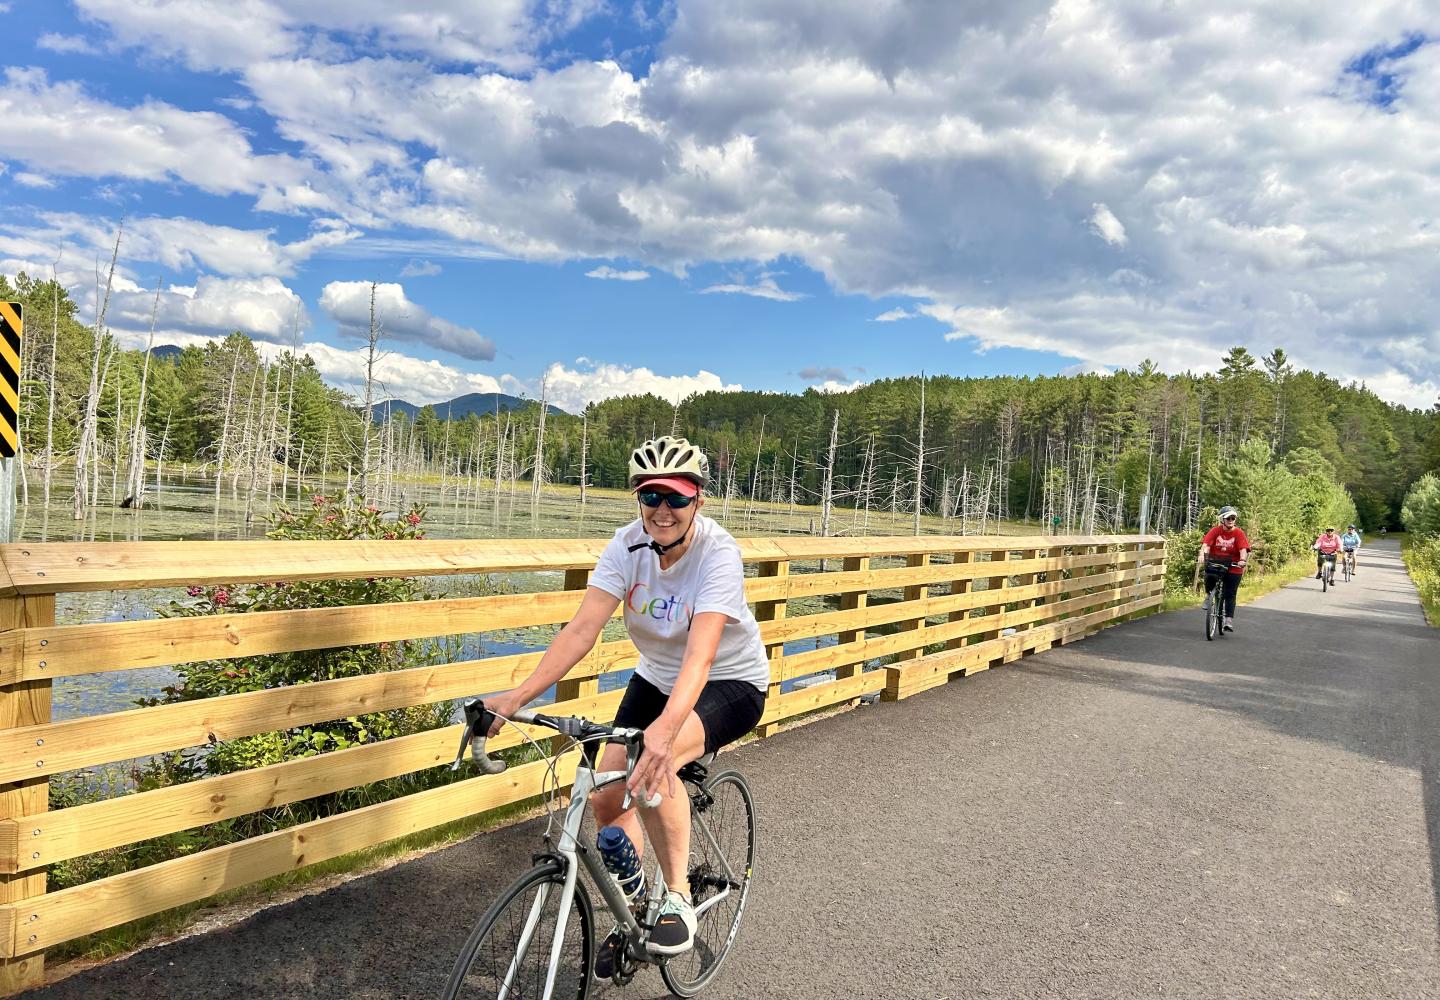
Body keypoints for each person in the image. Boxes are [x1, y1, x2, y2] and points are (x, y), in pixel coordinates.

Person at [483, 435, 769, 969]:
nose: (663, 510)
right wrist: (517, 696)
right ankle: (636, 906)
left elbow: (702, 657)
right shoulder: (625, 545)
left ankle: (678, 897)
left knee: (654, 761)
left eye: (677, 498)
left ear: (697, 501)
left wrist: (663, 733)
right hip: (656, 676)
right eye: (651, 496)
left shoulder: (718, 553)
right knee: (603, 797)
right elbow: (581, 630)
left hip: (730, 682)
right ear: (638, 498)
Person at [1197, 506, 1249, 632]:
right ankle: (1209, 594)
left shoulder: (1239, 533)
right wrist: (1201, 556)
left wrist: (1242, 560)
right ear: (1222, 519)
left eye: (1233, 518)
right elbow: (1206, 545)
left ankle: (1228, 620)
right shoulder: (1215, 531)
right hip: (1217, 563)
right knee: (1209, 575)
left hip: (1234, 565)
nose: (1231, 520)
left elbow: (1243, 549)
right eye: (1228, 518)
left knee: (1230, 593)